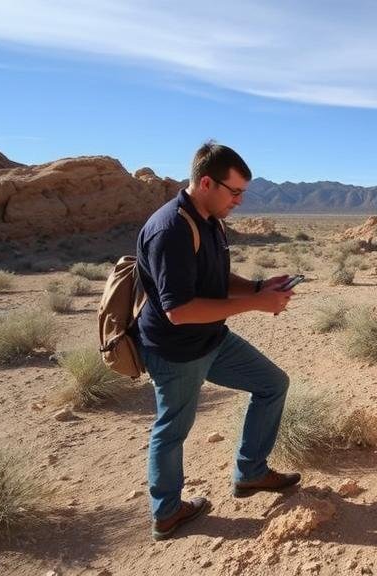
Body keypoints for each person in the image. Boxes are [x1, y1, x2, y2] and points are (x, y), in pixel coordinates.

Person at [135, 141, 299, 540]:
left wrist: (258, 286)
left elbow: (214, 281)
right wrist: (258, 304)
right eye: (235, 192)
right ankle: (167, 512)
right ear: (206, 182)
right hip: (176, 350)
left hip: (212, 338)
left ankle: (251, 472)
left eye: (243, 193)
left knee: (272, 384)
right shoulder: (171, 229)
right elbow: (180, 309)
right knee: (173, 429)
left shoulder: (209, 219)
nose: (239, 201)